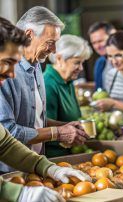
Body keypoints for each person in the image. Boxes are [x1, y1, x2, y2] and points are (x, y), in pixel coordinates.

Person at [0, 16, 91, 202]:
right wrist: (18, 193)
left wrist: (49, 168)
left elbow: (5, 143)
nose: (11, 74)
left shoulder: (36, 70)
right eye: (8, 62)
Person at [44, 35, 92, 157]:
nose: (81, 68)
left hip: (71, 154)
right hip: (55, 157)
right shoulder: (48, 84)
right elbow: (44, 127)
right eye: (77, 62)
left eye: (82, 63)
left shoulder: (68, 81)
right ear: (59, 59)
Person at [95, 31, 123, 114]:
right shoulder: (111, 74)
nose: (114, 61)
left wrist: (113, 104)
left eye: (118, 55)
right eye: (110, 56)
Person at [88, 22, 116, 90]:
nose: (97, 46)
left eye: (100, 41)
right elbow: (98, 89)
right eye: (94, 43)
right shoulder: (100, 62)